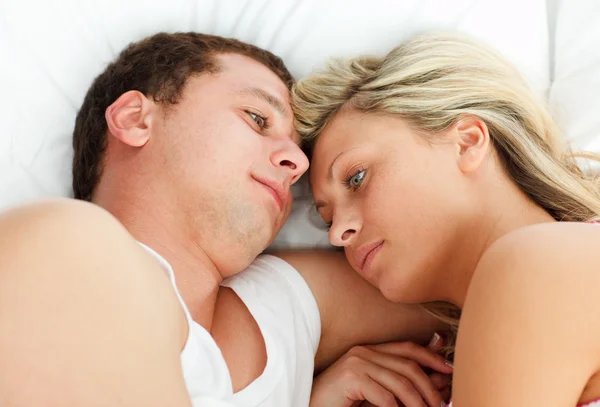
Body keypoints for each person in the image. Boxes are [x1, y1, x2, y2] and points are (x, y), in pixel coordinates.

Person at [0, 32, 453, 407]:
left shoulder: (283, 306)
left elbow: (462, 279)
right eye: (257, 119)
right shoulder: (56, 243)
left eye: (298, 154)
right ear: (136, 118)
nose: (296, 161)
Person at [292, 31, 600, 407]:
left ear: (467, 142)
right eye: (327, 220)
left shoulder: (540, 264)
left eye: (357, 178)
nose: (339, 234)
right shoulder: (454, 367)